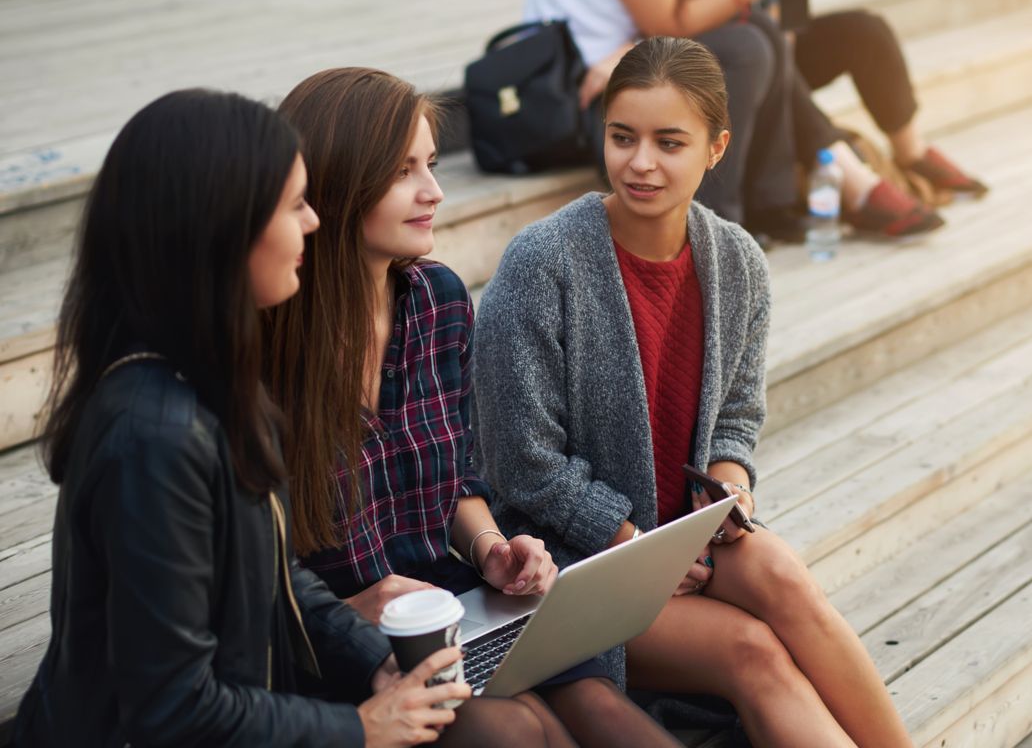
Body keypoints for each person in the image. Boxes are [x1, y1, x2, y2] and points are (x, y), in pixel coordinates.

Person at [475, 37, 914, 748]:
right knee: (754, 653)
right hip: (580, 569)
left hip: (686, 535)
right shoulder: (541, 263)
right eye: (622, 137)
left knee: (779, 572)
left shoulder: (736, 258)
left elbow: (736, 415)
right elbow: (522, 463)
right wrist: (634, 545)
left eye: (668, 142)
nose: (639, 162)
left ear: (716, 148)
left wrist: (729, 486)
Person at [16, 89, 468, 747]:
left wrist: (380, 661)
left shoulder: (210, 380)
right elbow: (173, 711)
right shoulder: (156, 438)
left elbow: (276, 575)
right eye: (294, 205)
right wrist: (357, 728)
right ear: (222, 230)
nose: (314, 222)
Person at [264, 66, 681, 748]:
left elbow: (456, 477)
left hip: (455, 605)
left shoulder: (436, 300)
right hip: (334, 649)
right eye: (403, 172)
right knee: (518, 729)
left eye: (429, 164)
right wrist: (346, 611)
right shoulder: (269, 345)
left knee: (596, 707)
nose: (433, 191)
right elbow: (255, 563)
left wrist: (490, 548)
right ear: (335, 183)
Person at [524, 0, 945, 239]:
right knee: (746, 47)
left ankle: (772, 202)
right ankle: (715, 220)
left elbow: (717, 16)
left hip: (643, 64)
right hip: (589, 94)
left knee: (761, 34)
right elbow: (668, 20)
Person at [756, 0, 990, 203]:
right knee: (763, 49)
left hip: (767, 33)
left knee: (865, 31)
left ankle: (912, 154)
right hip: (721, 57)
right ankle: (857, 185)